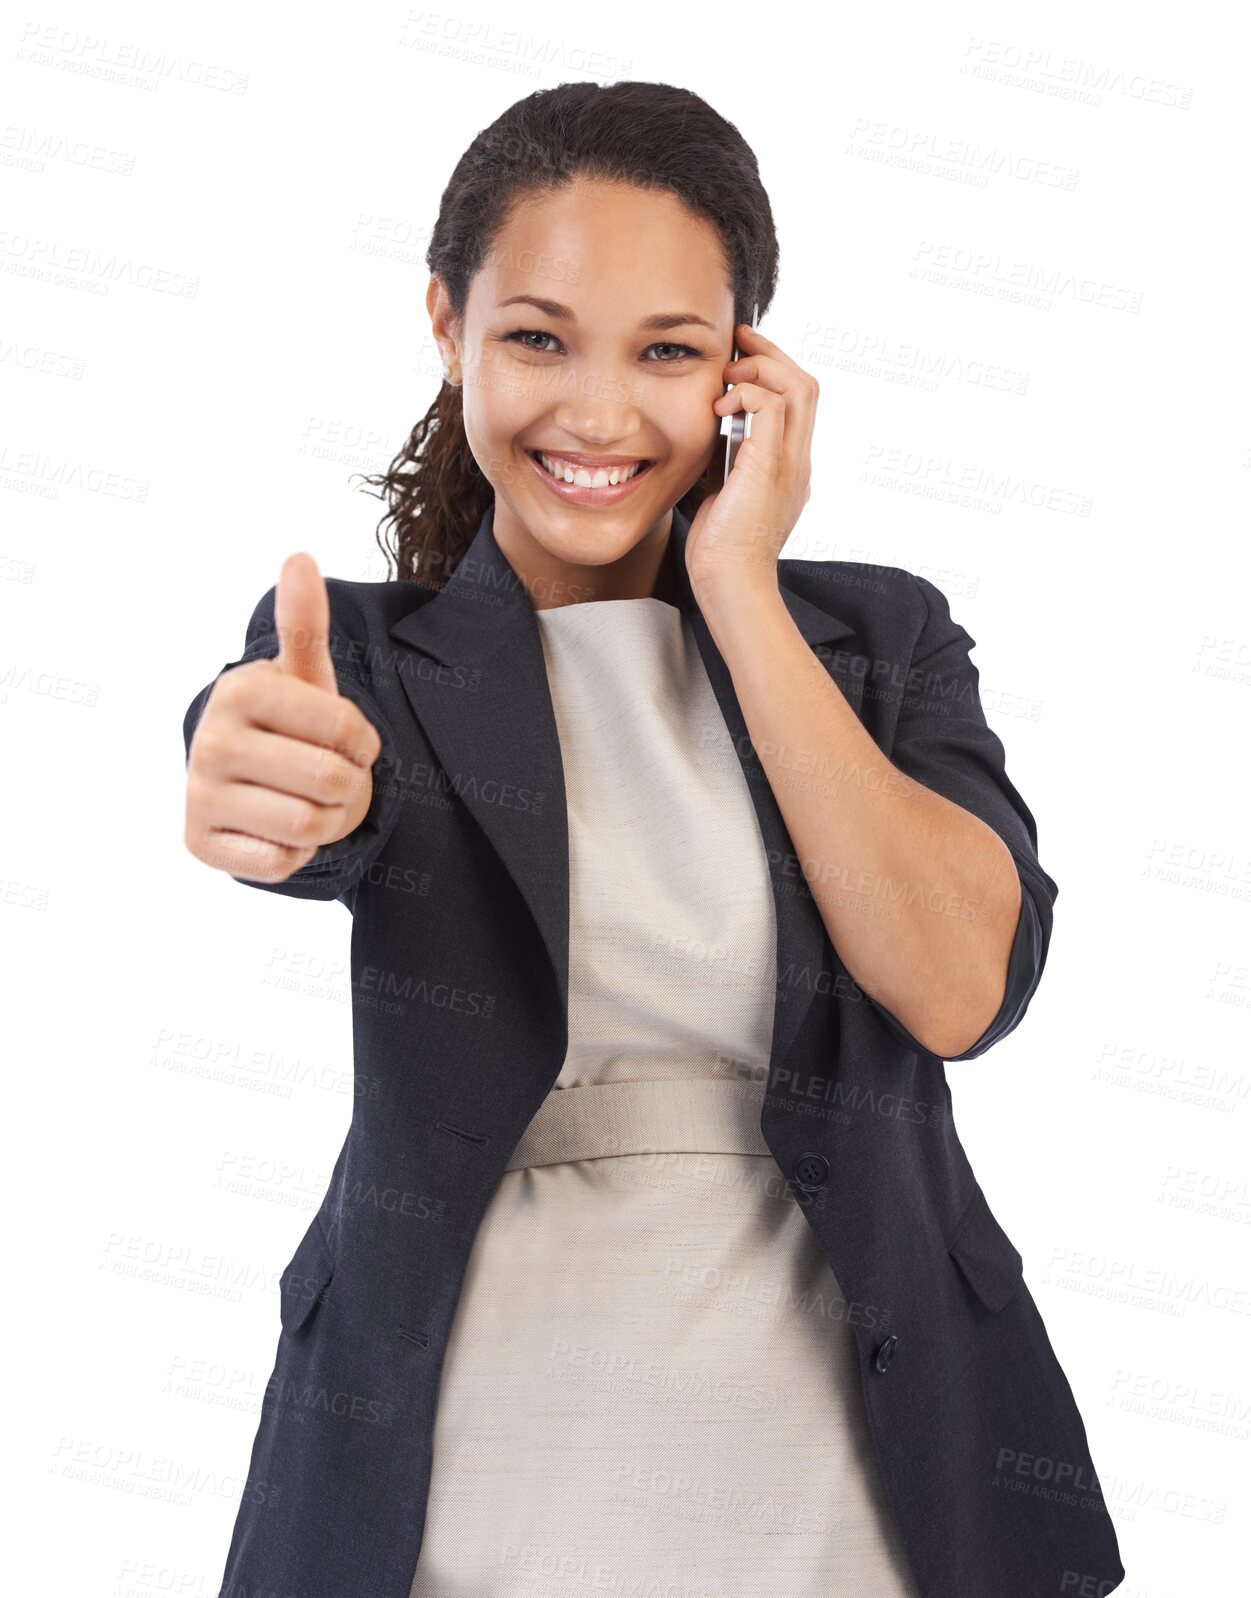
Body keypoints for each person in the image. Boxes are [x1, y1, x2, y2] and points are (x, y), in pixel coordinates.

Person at [183, 80, 1124, 1598]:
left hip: (853, 1467)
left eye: (670, 352)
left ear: (748, 372)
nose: (601, 414)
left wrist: (742, 591)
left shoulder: (880, 642)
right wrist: (268, 785)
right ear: (448, 325)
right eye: (538, 337)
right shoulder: (359, 662)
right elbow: (292, 772)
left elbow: (958, 985)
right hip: (480, 1455)